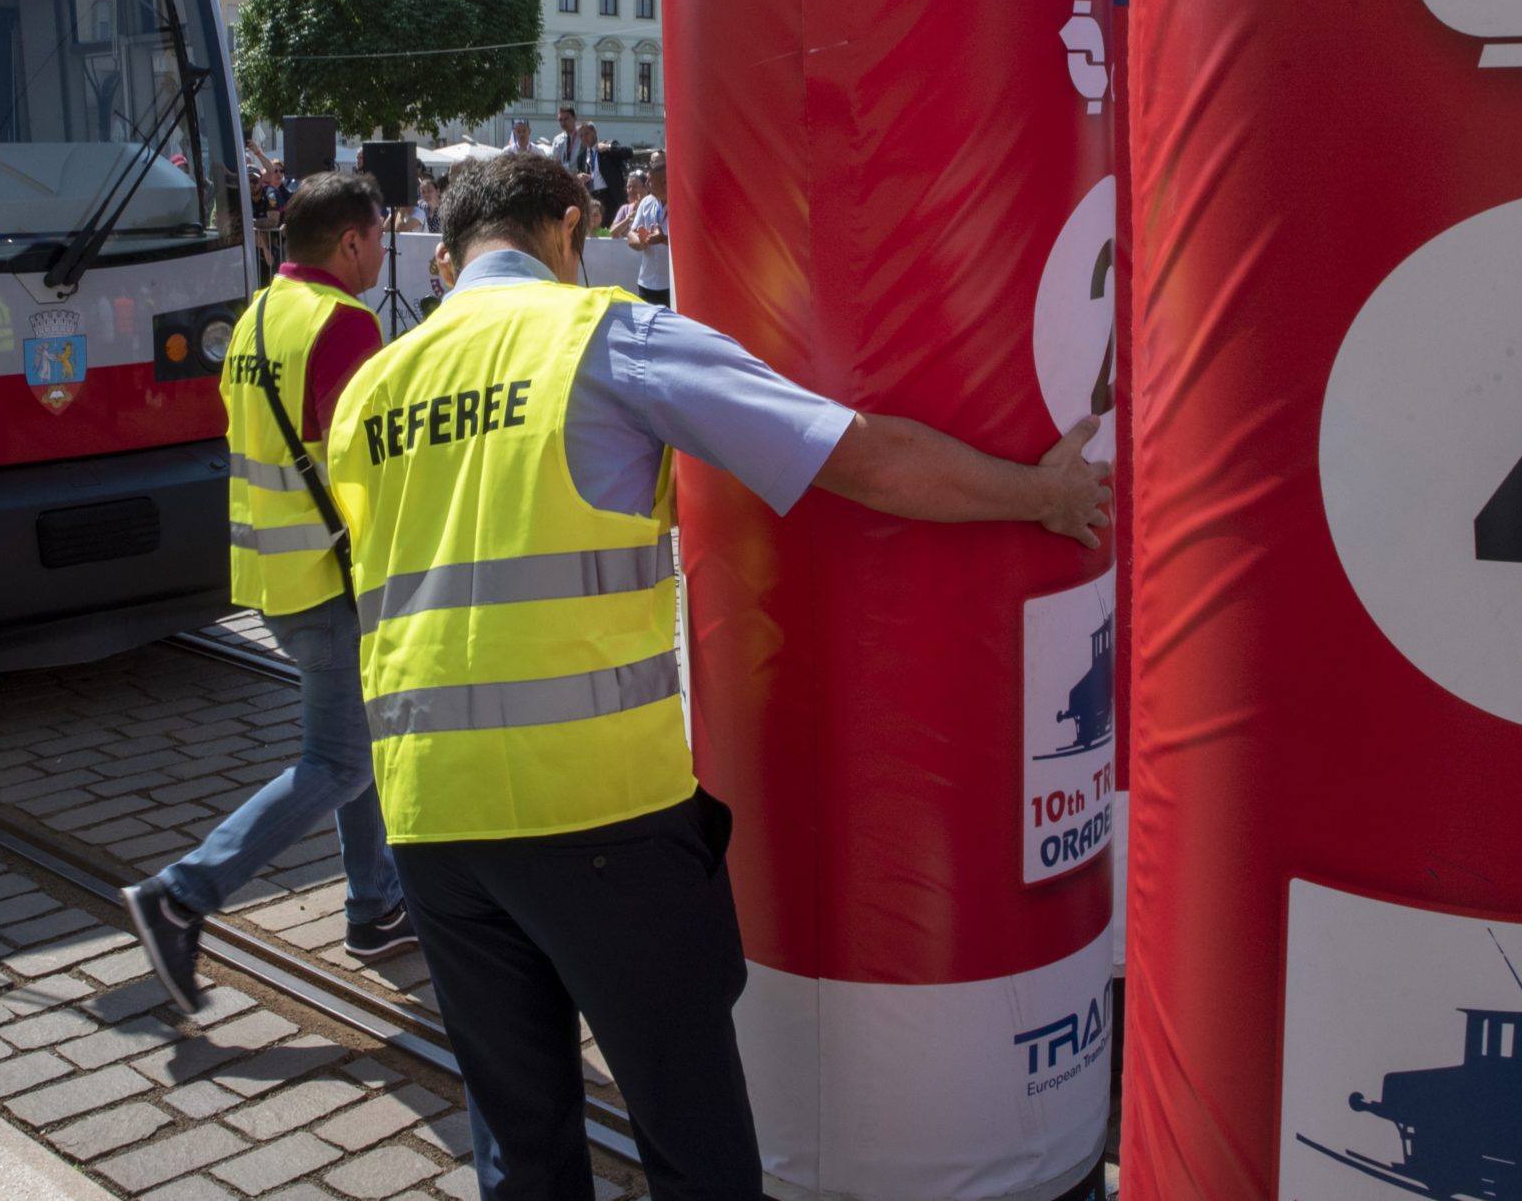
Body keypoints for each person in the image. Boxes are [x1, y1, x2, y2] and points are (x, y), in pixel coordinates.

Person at [325, 154, 1109, 1200]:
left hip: (428, 818)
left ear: (450, 248)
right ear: (569, 228)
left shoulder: (374, 386)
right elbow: (851, 453)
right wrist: (1036, 496)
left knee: (520, 1145)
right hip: (595, 810)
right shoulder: (598, 336)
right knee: (691, 1135)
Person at [124, 171, 414, 1015]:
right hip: (330, 575)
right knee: (339, 761)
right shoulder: (343, 323)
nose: (381, 257)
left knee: (355, 748)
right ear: (352, 243)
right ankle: (180, 894)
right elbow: (364, 457)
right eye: (377, 242)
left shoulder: (257, 315)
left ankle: (374, 905)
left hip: (271, 570)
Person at [624, 151, 672, 309]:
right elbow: (631, 234)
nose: (647, 185)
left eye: (651, 182)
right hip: (646, 282)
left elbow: (688, 247)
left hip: (671, 285)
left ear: (665, 182)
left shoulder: (681, 204)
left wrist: (663, 239)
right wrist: (641, 241)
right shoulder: (646, 202)